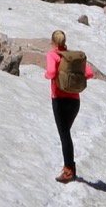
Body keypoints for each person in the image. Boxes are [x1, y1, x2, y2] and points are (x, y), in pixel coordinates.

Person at [44, 29, 94, 183]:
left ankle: (68, 171)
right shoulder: (72, 57)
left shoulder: (53, 55)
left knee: (65, 136)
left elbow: (51, 72)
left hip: (59, 100)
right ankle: (70, 168)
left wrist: (47, 75)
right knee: (66, 135)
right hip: (75, 101)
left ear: (53, 41)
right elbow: (90, 73)